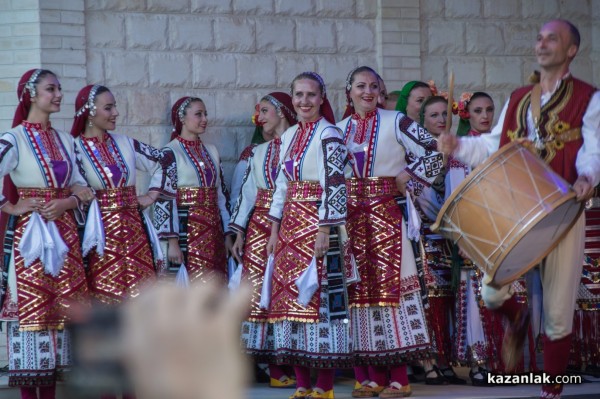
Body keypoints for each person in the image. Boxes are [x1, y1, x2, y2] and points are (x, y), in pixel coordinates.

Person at [438, 19, 600, 398]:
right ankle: (517, 316)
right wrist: (457, 145)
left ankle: (552, 391)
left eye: (552, 39)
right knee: (492, 292)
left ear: (571, 50)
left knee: (559, 312)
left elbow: (594, 147)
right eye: (539, 38)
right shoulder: (518, 97)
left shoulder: (589, 98)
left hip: (563, 209)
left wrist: (587, 177)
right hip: (516, 208)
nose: (542, 44)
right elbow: (493, 146)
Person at [338, 66, 444, 398]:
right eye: (360, 86)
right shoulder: (337, 130)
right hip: (349, 219)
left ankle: (399, 377)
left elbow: (438, 148)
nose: (367, 92)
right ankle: (368, 377)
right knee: (358, 293)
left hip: (385, 213)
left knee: (392, 292)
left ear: (381, 93)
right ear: (349, 92)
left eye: (374, 87)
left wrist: (409, 175)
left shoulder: (395, 122)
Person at [0, 69, 93, 399]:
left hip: (65, 235)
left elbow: (83, 187)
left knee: (63, 314)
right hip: (33, 237)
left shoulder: (67, 140)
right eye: (50, 89)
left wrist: (66, 201)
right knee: (34, 312)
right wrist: (11, 206)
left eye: (59, 89)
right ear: (31, 94)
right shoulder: (14, 139)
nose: (58, 95)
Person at [264, 72, 349, 399]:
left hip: (318, 223)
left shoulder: (329, 133)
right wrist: (273, 229)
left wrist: (325, 230)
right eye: (298, 94)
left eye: (311, 95)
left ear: (321, 97)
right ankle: (301, 384)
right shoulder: (289, 137)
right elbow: (282, 185)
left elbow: (335, 184)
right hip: (289, 230)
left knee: (321, 301)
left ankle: (324, 387)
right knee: (290, 304)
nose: (304, 101)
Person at [71, 84, 176, 305]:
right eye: (108, 108)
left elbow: (166, 160)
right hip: (99, 236)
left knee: (143, 297)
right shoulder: (73, 149)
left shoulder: (125, 143)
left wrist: (151, 196)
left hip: (135, 231)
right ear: (90, 112)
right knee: (105, 296)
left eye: (114, 107)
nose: (115, 113)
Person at [229, 92, 297, 389]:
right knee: (257, 291)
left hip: (292, 222)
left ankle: (293, 361)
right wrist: (238, 230)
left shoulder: (299, 142)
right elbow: (247, 194)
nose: (260, 118)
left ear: (282, 112)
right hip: (259, 225)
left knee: (287, 290)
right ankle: (269, 365)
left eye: (266, 111)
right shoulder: (258, 152)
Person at [153, 96, 233, 283]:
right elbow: (163, 198)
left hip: (214, 232)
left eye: (205, 114)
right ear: (182, 118)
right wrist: (172, 241)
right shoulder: (170, 152)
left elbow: (221, 195)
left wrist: (228, 233)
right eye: (198, 114)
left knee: (215, 284)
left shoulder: (211, 150)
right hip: (184, 230)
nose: (204, 119)